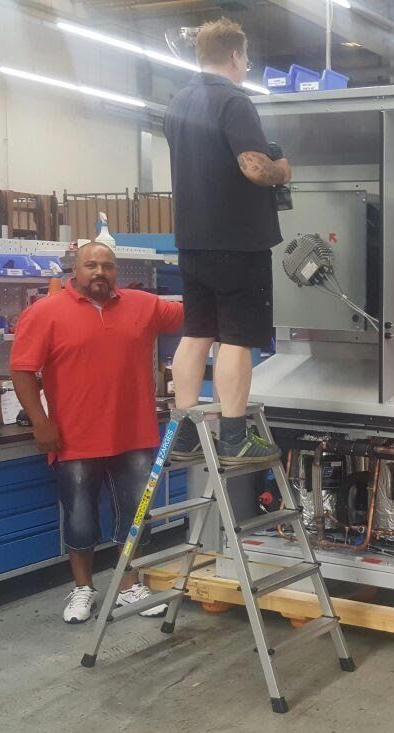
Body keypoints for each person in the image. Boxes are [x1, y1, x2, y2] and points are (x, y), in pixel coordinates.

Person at [10, 242, 184, 624]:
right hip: (74, 437)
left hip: (134, 435)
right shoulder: (44, 313)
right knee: (80, 517)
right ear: (75, 270)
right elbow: (21, 370)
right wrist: (40, 422)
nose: (100, 272)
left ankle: (129, 584)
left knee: (136, 514)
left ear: (116, 271)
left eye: (107, 265)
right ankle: (82, 588)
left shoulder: (144, 305)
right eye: (91, 265)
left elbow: (193, 314)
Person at [163, 17, 291, 464]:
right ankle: (234, 435)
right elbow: (254, 167)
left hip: (192, 242)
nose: (247, 64)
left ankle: (184, 433)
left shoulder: (178, 103)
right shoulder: (234, 101)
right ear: (235, 55)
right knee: (237, 337)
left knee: (196, 332)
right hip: (238, 243)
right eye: (246, 57)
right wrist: (282, 169)